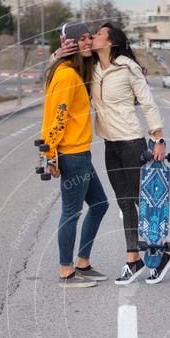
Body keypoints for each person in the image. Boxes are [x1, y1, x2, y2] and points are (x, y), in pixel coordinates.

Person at [58, 22, 170, 285]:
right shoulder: (92, 68)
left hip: (132, 142)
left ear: (109, 42)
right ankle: (133, 259)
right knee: (124, 203)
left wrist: (158, 138)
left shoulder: (127, 67)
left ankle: (159, 254)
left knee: (143, 203)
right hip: (111, 145)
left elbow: (147, 102)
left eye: (98, 34)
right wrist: (57, 54)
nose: (92, 38)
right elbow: (64, 69)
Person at [41, 22, 109, 289]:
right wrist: (50, 153)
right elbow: (56, 116)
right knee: (71, 213)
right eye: (81, 39)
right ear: (68, 43)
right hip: (72, 154)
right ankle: (66, 271)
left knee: (100, 204)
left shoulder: (71, 70)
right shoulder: (67, 75)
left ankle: (83, 263)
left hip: (81, 152)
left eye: (89, 38)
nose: (87, 42)